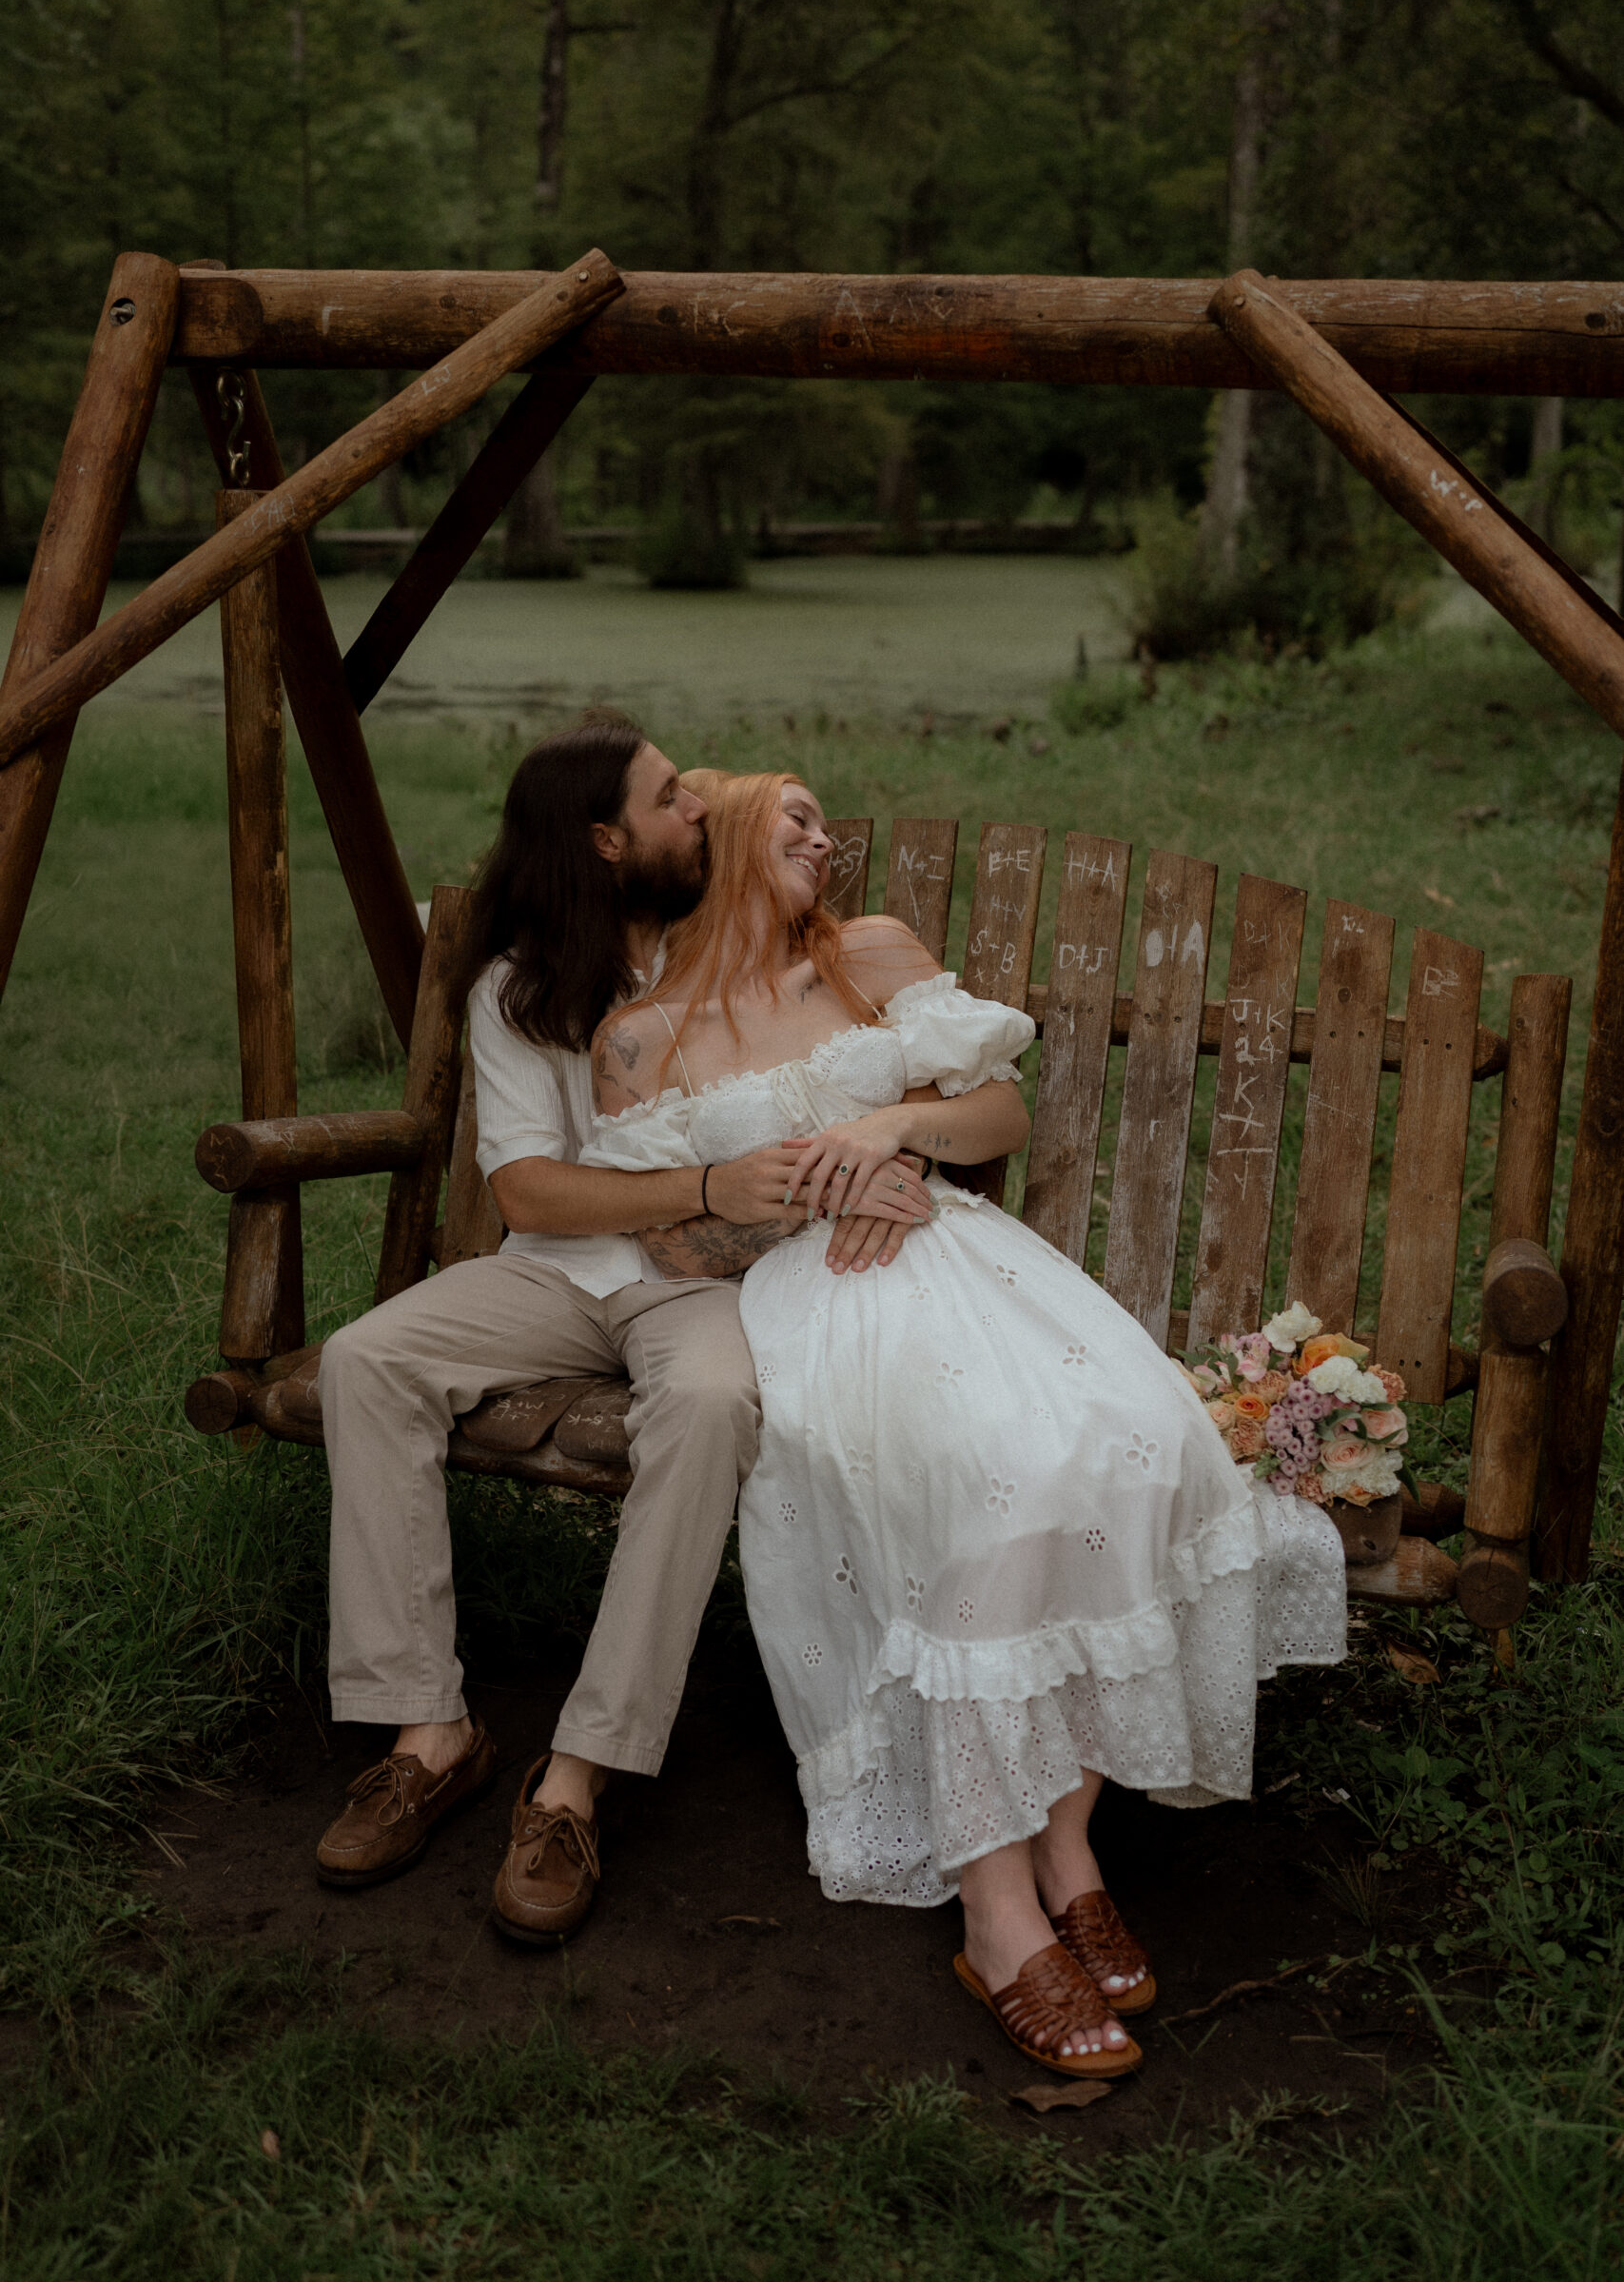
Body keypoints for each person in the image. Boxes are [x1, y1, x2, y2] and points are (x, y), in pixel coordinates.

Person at [581, 768, 1347, 2078]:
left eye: (829, 822)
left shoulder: (868, 956)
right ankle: (997, 1918)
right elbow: (667, 1244)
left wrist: (895, 1129)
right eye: (795, 818)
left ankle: (1065, 1839)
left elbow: (999, 1114)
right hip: (816, 1298)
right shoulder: (639, 1040)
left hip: (970, 1259)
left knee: (1127, 1446)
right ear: (710, 841)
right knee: (978, 1486)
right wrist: (796, 1197)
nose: (826, 839)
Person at [312, 719, 930, 1942]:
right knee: (364, 1356)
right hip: (552, 1274)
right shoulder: (519, 988)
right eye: (668, 799)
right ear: (608, 840)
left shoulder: (730, 954)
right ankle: (428, 1729)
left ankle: (579, 1774)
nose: (696, 808)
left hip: (700, 1288)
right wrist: (700, 1188)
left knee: (707, 1406)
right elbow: (528, 1193)